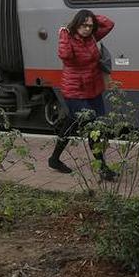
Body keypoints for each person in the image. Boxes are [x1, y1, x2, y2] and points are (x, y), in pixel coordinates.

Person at [50, 9, 117, 180]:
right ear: (76, 24)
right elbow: (64, 56)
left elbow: (109, 23)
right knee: (93, 128)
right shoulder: (69, 38)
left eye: (90, 25)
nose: (87, 28)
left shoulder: (92, 37)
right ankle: (102, 168)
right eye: (84, 25)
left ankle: (54, 159)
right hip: (75, 91)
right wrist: (64, 34)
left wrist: (92, 16)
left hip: (93, 89)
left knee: (71, 124)